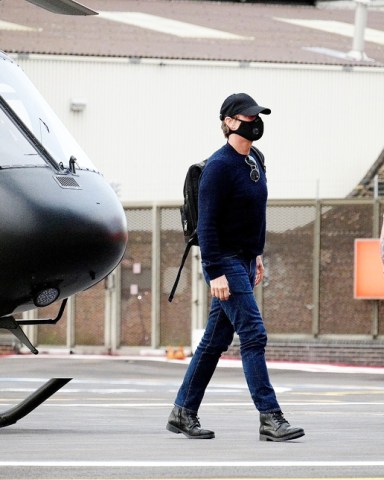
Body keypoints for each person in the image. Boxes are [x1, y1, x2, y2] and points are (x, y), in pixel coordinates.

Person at [166, 92, 305, 442]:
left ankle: (183, 411)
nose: (254, 122)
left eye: (257, 116)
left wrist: (256, 254)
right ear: (228, 122)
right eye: (246, 117)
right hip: (224, 260)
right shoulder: (218, 166)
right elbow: (208, 225)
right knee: (254, 333)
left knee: (215, 341)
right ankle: (270, 418)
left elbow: (255, 213)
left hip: (244, 258)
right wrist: (214, 272)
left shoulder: (255, 158)